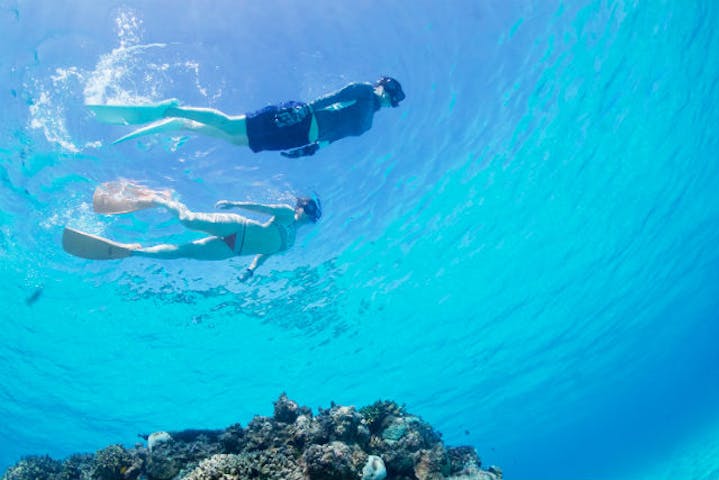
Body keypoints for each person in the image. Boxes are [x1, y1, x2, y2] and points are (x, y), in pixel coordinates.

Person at [87, 76, 406, 157]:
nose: (390, 101)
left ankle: (185, 125)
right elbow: (333, 99)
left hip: (299, 136)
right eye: (392, 96)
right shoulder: (364, 90)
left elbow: (335, 136)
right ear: (385, 89)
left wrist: (312, 148)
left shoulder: (366, 125)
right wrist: (304, 110)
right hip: (298, 118)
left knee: (236, 141)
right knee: (228, 123)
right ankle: (172, 108)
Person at [62, 181, 321, 280]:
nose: (306, 214)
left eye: (311, 214)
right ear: (302, 208)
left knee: (181, 252)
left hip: (232, 250)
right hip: (236, 225)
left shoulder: (290, 243)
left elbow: (265, 253)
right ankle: (159, 199)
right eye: (307, 209)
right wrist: (235, 203)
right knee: (187, 220)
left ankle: (131, 252)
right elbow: (262, 207)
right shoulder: (286, 214)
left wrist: (251, 269)